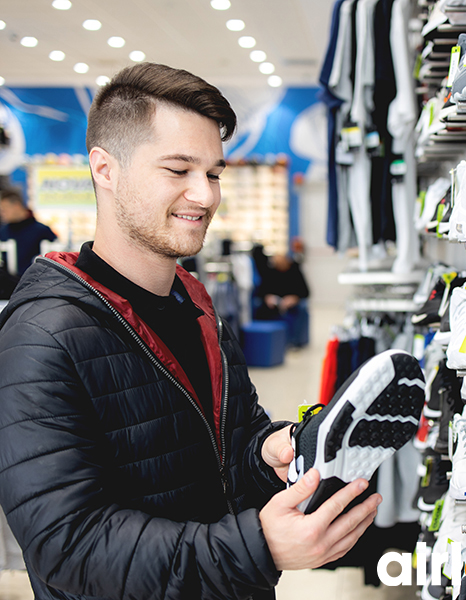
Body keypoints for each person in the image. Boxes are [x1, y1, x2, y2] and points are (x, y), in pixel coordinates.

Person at [0, 62, 381, 600]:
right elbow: (69, 547)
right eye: (178, 170)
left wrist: (270, 449)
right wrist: (260, 548)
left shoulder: (196, 304)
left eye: (214, 173)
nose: (204, 196)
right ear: (105, 170)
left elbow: (228, 444)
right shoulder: (40, 337)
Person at [0, 187, 57, 275]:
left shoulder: (41, 231)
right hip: (9, 285)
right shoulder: (3, 231)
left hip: (37, 282)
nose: (2, 213)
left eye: (4, 209)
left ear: (16, 205)